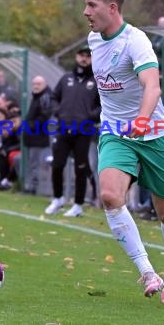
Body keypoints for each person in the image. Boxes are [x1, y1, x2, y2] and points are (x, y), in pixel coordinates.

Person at [79, 0, 164, 304]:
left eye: (91, 5)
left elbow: (152, 85)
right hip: (115, 133)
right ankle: (147, 272)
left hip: (153, 133)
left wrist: (142, 118)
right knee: (110, 196)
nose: (86, 12)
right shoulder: (93, 39)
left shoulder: (135, 41)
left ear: (112, 7)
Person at [44, 45, 101, 217]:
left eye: (87, 56)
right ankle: (58, 198)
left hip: (83, 131)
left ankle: (77, 204)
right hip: (63, 128)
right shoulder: (66, 78)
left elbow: (103, 105)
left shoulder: (96, 81)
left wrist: (90, 117)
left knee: (81, 168)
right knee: (57, 165)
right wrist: (58, 111)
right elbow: (54, 98)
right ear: (76, 57)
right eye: (81, 55)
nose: (84, 59)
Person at [23, 76, 53, 195]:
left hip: (39, 136)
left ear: (44, 84)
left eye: (38, 84)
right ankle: (31, 185)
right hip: (32, 135)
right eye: (34, 83)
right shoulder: (37, 97)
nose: (35, 86)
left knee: (36, 162)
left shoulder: (45, 97)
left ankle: (33, 187)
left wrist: (31, 125)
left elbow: (44, 116)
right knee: (32, 162)